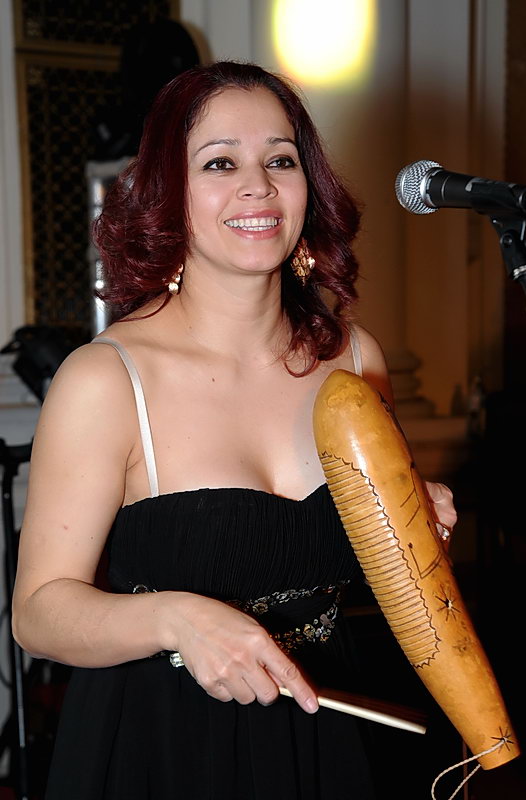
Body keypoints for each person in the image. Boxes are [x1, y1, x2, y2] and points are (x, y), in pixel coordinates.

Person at [12, 61, 456, 799]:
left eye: (280, 160)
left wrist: (417, 525)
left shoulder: (354, 360)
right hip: (164, 745)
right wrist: (175, 620)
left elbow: (384, 578)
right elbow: (38, 613)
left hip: (332, 732)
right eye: (220, 163)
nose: (258, 186)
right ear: (168, 193)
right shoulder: (107, 380)